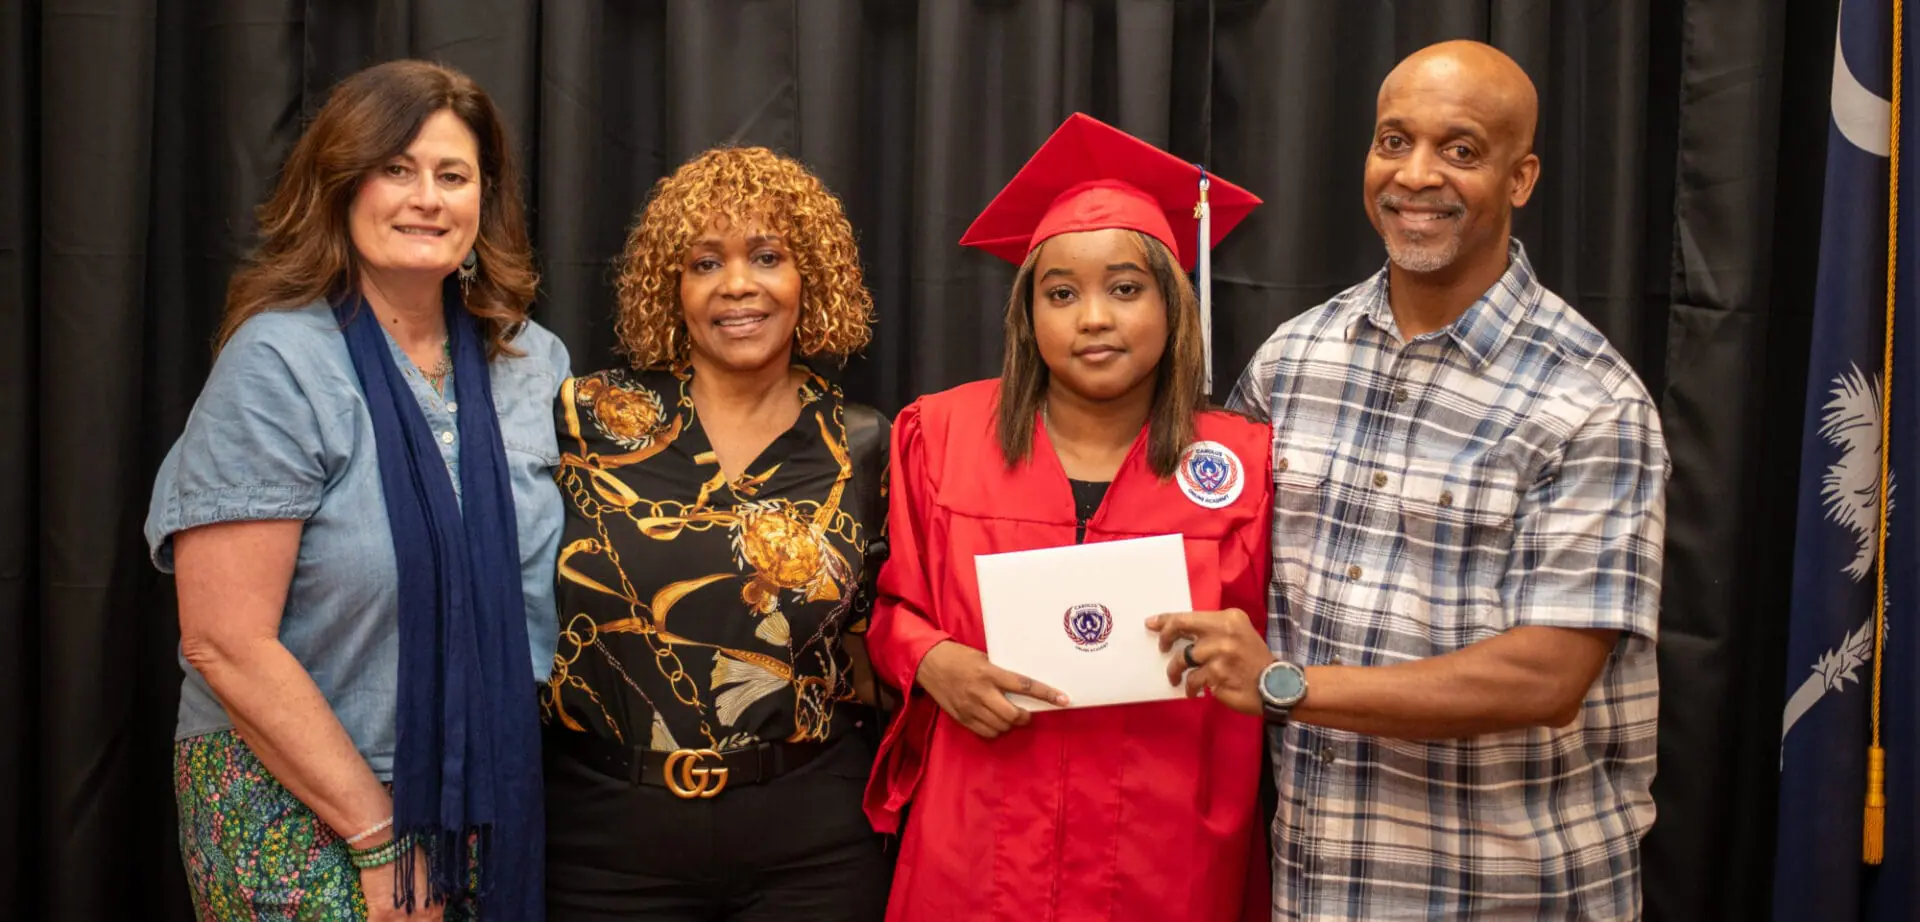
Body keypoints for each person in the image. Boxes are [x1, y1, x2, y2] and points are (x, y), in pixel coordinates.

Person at [1152, 40, 1670, 920]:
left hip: (1503, 896)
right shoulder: (1293, 361)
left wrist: (1286, 683)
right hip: (1313, 891)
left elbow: (1544, 679)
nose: (1415, 175)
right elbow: (1213, 555)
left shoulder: (1589, 401)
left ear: (1522, 177)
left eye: (1460, 150)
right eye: (1394, 141)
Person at [146, 60, 568, 921]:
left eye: (454, 176)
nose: (428, 198)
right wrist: (379, 840)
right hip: (298, 801)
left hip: (481, 794)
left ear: (485, 201)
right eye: (396, 169)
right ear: (340, 186)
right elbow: (224, 641)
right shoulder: (280, 362)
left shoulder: (532, 364)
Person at [861, 113, 1272, 922]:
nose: (1093, 317)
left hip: (1167, 854)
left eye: (1126, 288)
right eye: (1061, 293)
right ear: (1027, 315)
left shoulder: (1248, 464)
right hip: (979, 842)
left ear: (1174, 302)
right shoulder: (938, 437)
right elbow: (889, 607)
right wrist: (930, 659)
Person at [540, 145, 892, 921]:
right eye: (705, 263)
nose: (738, 285)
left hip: (809, 840)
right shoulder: (586, 416)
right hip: (604, 840)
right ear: (673, 288)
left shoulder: (863, 443)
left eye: (767, 256)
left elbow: (883, 643)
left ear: (812, 279)